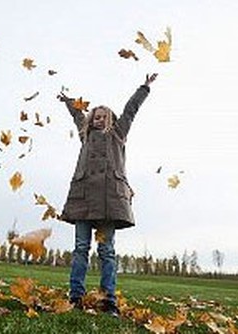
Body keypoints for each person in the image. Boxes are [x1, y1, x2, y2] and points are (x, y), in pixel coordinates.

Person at [57, 73, 158, 317]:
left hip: (108, 201)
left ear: (111, 120)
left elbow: (131, 110)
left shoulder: (118, 134)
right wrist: (69, 102)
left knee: (106, 252)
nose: (100, 120)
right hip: (83, 198)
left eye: (104, 117)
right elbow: (77, 115)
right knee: (81, 248)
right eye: (96, 117)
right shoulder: (86, 135)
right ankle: (76, 297)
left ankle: (108, 300)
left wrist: (144, 87)